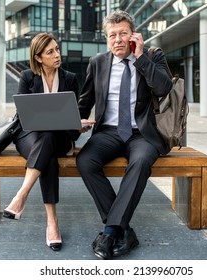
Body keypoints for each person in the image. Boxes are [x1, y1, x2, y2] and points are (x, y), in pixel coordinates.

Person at [76, 10, 173, 260]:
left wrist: (140, 58)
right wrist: (75, 122)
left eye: (123, 34)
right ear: (106, 39)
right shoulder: (98, 62)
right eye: (112, 35)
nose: (117, 39)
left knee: (140, 162)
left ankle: (109, 231)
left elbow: (164, 88)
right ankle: (125, 230)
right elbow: (84, 102)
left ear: (134, 35)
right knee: (85, 161)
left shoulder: (152, 57)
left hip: (142, 133)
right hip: (108, 131)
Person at [2, 32, 94, 251]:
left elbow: (75, 113)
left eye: (57, 49)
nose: (57, 55)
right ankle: (52, 222)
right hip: (30, 137)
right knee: (47, 150)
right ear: (39, 57)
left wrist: (77, 123)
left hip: (61, 137)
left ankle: (21, 196)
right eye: (50, 52)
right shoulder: (27, 77)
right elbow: (23, 115)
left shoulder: (70, 78)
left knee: (50, 138)